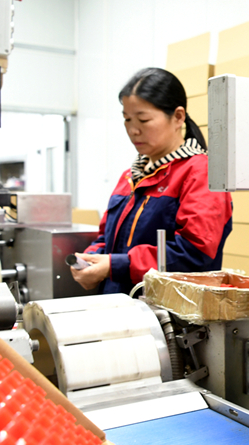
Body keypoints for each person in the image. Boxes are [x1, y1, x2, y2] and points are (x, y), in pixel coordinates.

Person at [71, 68, 233, 294]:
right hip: (120, 302)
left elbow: (195, 253)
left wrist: (116, 265)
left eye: (143, 120)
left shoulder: (199, 173)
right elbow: (106, 237)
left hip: (166, 310)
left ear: (178, 117)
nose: (133, 130)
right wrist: (92, 259)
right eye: (127, 119)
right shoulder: (131, 176)